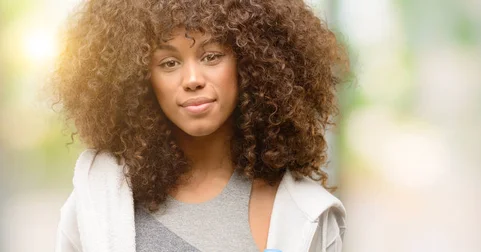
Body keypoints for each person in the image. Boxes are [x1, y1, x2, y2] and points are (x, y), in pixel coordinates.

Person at [51, 0, 349, 251]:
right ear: (141, 78)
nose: (192, 79)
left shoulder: (308, 212)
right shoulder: (96, 200)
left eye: (211, 56)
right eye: (169, 63)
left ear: (248, 64)